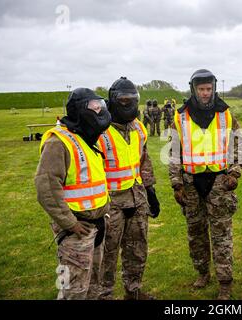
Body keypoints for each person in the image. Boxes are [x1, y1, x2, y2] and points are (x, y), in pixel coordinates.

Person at [168, 69, 242, 300]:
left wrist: (235, 172)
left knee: (221, 235)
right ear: (194, 89)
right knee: (196, 233)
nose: (205, 93)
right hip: (191, 183)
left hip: (220, 183)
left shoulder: (226, 114)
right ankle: (202, 272)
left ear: (214, 88)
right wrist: (176, 183)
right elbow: (173, 152)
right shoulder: (180, 117)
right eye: (201, 89)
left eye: (209, 89)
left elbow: (237, 143)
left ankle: (224, 283)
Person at [35, 88, 111, 299]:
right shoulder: (58, 142)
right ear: (79, 111)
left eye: (100, 106)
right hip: (76, 231)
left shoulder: (87, 138)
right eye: (94, 107)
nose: (99, 111)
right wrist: (70, 223)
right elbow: (46, 188)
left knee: (94, 285)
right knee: (73, 290)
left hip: (96, 225)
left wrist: (104, 212)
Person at [97, 77, 160, 300]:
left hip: (137, 197)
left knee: (137, 248)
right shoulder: (98, 131)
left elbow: (144, 160)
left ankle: (133, 291)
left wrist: (150, 190)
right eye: (124, 100)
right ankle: (103, 295)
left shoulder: (139, 128)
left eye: (133, 100)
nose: (129, 104)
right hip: (109, 202)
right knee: (107, 252)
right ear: (112, 101)